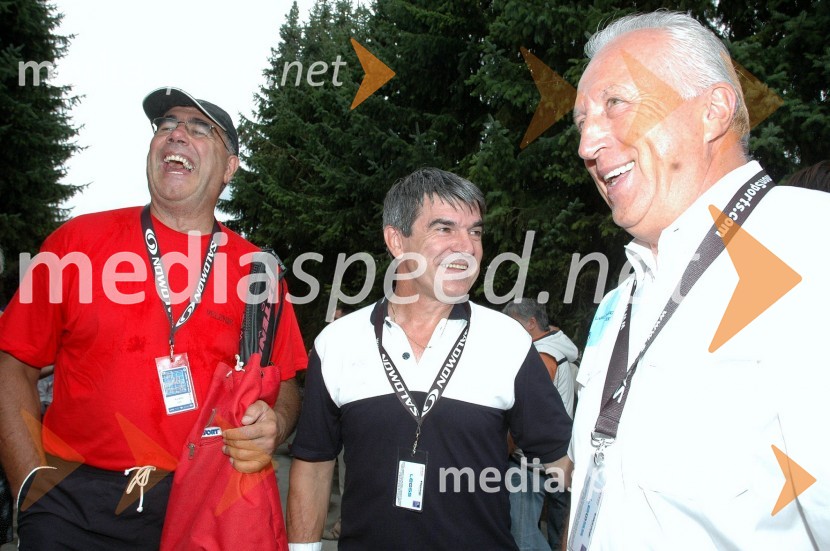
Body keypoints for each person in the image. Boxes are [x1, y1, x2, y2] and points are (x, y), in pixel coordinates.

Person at [0, 87, 308, 550]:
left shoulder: (258, 272)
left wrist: (276, 425)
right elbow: (12, 365)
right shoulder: (75, 244)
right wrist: (30, 486)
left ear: (229, 168)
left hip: (201, 503)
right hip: (70, 505)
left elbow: (284, 381)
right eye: (166, 125)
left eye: (200, 128)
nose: (177, 134)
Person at [569, 11, 830, 550]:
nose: (587, 144)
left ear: (712, 111)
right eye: (581, 121)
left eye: (615, 104)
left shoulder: (810, 246)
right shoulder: (620, 301)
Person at [286, 168, 572, 550]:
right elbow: (315, 466)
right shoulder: (337, 343)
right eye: (445, 229)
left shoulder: (508, 342)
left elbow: (563, 466)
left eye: (475, 231)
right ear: (396, 240)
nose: (467, 247)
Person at [503, 299, 578, 550]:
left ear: (531, 323)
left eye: (512, 324)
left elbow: (524, 412)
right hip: (562, 458)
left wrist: (505, 449)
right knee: (559, 535)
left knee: (523, 538)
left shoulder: (539, 358)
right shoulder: (560, 350)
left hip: (531, 463)